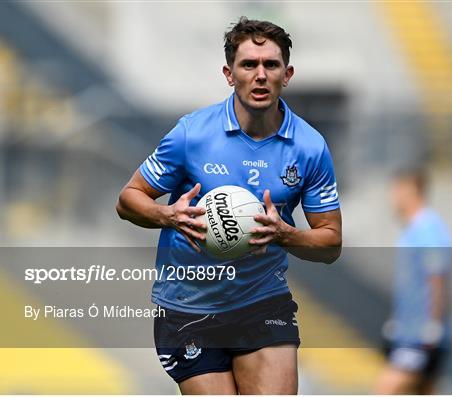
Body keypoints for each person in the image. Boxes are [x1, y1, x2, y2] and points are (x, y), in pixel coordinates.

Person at [116, 17, 342, 395]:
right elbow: (128, 199)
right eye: (248, 65)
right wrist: (167, 216)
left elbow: (331, 244)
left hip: (262, 301)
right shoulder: (192, 134)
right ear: (229, 73)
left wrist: (286, 235)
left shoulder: (310, 147)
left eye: (270, 65)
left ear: (287, 74)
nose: (260, 75)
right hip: (188, 307)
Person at [374, 168, 452, 394]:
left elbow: (437, 277)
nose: (393, 197)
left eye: (397, 190)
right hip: (410, 332)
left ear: (411, 191)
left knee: (385, 390)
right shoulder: (413, 230)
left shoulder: (428, 228)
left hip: (419, 337)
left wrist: (433, 325)